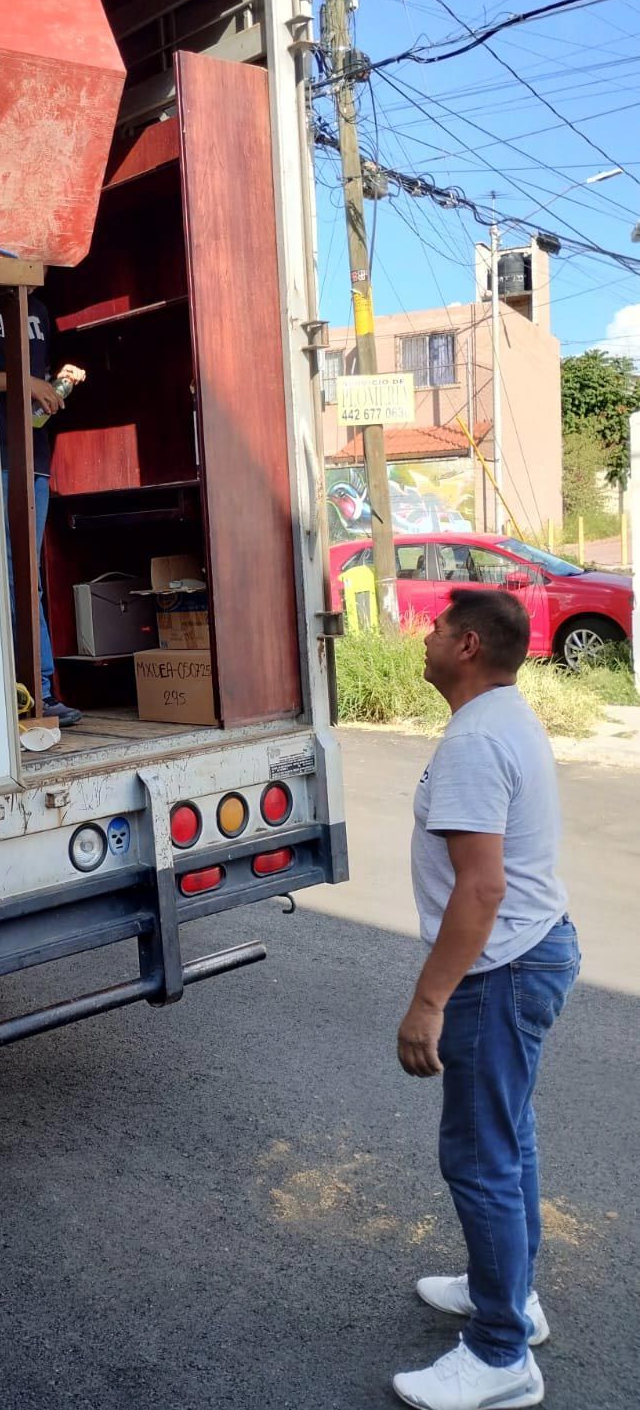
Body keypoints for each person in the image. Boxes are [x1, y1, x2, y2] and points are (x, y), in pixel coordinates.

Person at [392, 589, 579, 1410]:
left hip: (498, 969)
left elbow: (480, 891)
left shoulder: (476, 740)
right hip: (532, 953)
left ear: (467, 645)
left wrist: (428, 1001)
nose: (424, 637)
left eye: (435, 628)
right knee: (510, 1141)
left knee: (478, 1157)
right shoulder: (505, 716)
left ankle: (501, 1354)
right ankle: (509, 1294)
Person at [0, 285, 85, 727]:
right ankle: (25, 692)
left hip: (34, 459)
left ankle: (40, 692)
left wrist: (51, 385)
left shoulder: (42, 310)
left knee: (27, 579)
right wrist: (24, 380)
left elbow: (35, 390)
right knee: (10, 577)